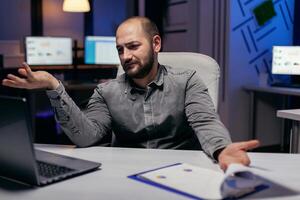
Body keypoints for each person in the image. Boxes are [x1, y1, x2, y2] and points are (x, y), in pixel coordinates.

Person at [2, 16, 259, 170]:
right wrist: (52, 85)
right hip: (125, 173)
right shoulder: (106, 91)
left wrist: (222, 150)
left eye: (133, 46)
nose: (126, 56)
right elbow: (87, 137)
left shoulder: (187, 81)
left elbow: (205, 122)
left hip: (182, 172)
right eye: (120, 50)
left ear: (156, 44)